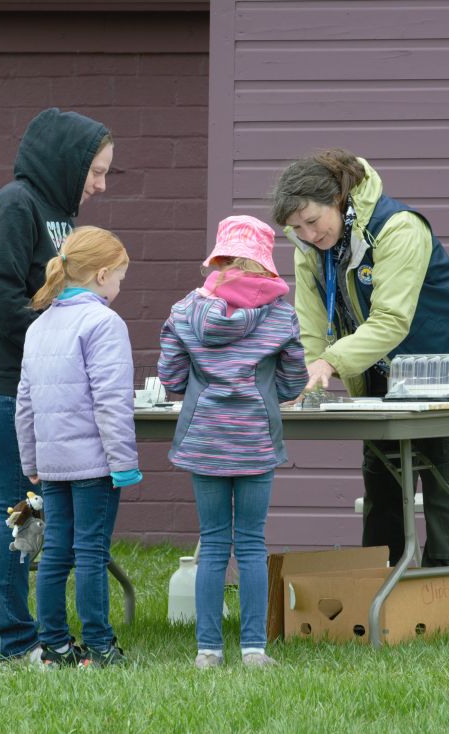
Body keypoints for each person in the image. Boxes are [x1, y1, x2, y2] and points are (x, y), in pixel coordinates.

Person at [270, 148, 449, 567]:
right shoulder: (309, 250)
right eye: (296, 228)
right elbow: (310, 325)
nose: (308, 235)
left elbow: (392, 320)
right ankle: (379, 583)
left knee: (443, 478)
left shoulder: (398, 228)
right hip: (381, 366)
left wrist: (330, 363)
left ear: (337, 199)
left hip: (448, 360)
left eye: (313, 222)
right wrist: (305, 372)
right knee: (382, 481)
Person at [0, 108, 113, 661]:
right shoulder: (15, 205)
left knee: (30, 507)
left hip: (33, 387)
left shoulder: (57, 216)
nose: (100, 183)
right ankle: (11, 641)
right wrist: (59, 344)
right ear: (67, 161)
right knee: (23, 506)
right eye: (95, 170)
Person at [158, 215, 307, 669]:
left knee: (214, 541)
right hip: (255, 440)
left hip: (205, 439)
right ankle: (254, 648)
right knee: (251, 543)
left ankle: (208, 649)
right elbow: (293, 379)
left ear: (218, 260)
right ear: (265, 264)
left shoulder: (184, 310)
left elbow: (171, 377)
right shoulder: (280, 312)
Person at [15, 226, 140, 668]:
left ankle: (54, 647)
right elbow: (112, 401)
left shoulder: (40, 325)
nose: (121, 287)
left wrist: (31, 460)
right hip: (94, 465)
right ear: (102, 274)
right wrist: (124, 463)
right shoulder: (104, 323)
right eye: (121, 277)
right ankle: (101, 646)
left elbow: (24, 403)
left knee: (56, 553)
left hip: (52, 464)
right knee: (90, 552)